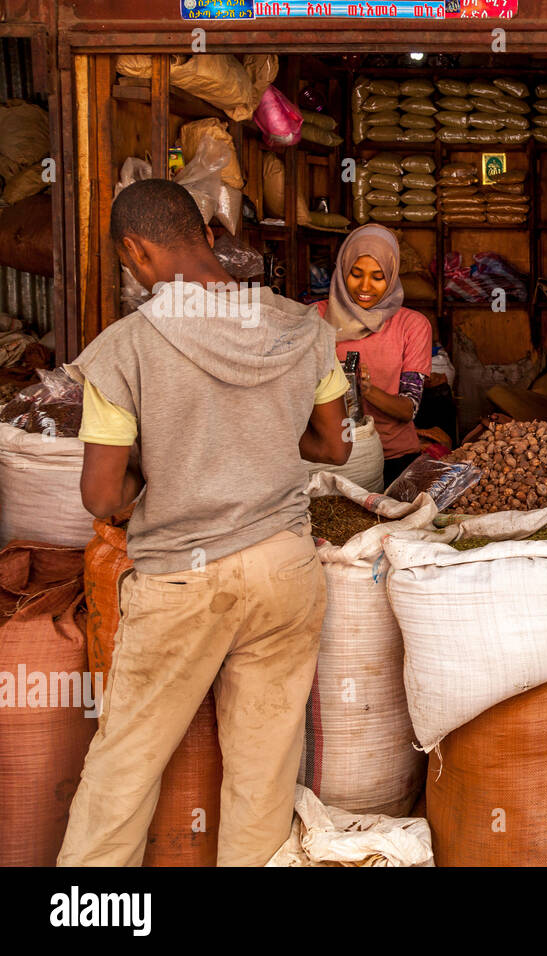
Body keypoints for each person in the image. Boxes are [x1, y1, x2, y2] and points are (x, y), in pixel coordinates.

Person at [58, 179, 352, 867]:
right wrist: (263, 445)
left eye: (129, 263)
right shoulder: (300, 326)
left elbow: (101, 496)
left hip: (183, 582)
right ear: (207, 236)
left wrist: (156, 469)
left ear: (136, 250)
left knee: (124, 768)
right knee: (264, 773)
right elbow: (334, 446)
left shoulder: (122, 350)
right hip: (284, 565)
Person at [317, 225, 434, 486]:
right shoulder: (314, 319)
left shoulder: (412, 325)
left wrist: (365, 389)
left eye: (378, 277)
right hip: (329, 458)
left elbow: (408, 410)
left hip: (395, 458)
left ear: (392, 276)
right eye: (355, 274)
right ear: (342, 269)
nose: (365, 287)